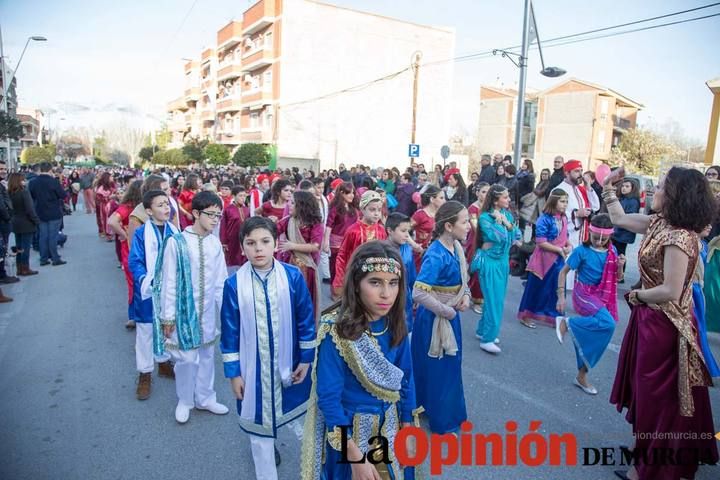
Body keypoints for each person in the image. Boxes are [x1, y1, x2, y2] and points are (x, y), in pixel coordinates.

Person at [605, 167, 718, 480]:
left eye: (661, 187)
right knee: (645, 392)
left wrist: (637, 295)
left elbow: (670, 289)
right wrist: (607, 189)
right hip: (649, 319)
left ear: (675, 195)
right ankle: (647, 449)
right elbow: (618, 219)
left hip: (663, 325)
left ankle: (649, 468)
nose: (654, 191)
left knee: (657, 397)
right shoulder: (659, 223)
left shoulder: (679, 237)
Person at [301, 240, 416, 480]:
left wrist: (408, 426)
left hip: (391, 428)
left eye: (393, 283)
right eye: (375, 282)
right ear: (356, 285)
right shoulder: (336, 330)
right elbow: (329, 400)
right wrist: (354, 456)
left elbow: (406, 379)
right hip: (350, 435)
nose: (386, 293)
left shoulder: (394, 323)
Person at [221, 217, 316, 480]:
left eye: (265, 242)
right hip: (253, 370)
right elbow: (230, 333)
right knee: (258, 425)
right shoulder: (233, 285)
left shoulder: (293, 276)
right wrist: (233, 373)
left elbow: (305, 320)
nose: (258, 249)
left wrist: (306, 359)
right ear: (242, 248)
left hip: (288, 362)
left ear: (276, 244)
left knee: (284, 412)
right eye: (251, 243)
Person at [154, 191, 230, 424]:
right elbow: (168, 281)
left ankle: (205, 398)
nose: (216, 219)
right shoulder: (176, 243)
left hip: (207, 313)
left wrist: (227, 313)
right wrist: (168, 317)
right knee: (187, 359)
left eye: (219, 215)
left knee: (207, 354)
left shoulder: (215, 243)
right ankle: (185, 400)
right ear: (195, 213)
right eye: (211, 214)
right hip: (182, 313)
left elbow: (221, 282)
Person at [412, 200, 470, 434]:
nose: (469, 227)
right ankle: (441, 419)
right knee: (439, 369)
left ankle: (436, 408)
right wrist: (445, 310)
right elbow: (418, 292)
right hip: (434, 320)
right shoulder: (436, 255)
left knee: (448, 367)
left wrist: (465, 294)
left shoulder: (456, 248)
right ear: (448, 226)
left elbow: (462, 280)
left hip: (449, 315)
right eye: (464, 222)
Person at [554, 214, 624, 395]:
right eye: (596, 237)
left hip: (601, 296)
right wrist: (561, 297)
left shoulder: (613, 252)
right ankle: (566, 323)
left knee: (595, 334)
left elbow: (618, 278)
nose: (600, 241)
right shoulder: (581, 251)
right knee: (607, 324)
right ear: (590, 232)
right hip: (583, 293)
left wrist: (621, 266)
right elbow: (563, 272)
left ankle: (581, 375)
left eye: (604, 238)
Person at [127, 190, 178, 400]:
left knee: (168, 327)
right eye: (160, 205)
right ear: (148, 211)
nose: (166, 208)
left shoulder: (175, 231)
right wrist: (145, 280)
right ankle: (145, 373)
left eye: (167, 204)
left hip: (170, 290)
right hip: (148, 290)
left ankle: (164, 362)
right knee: (146, 332)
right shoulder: (141, 233)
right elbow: (135, 261)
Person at [471, 185, 521, 354]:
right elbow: (498, 237)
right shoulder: (485, 217)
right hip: (489, 263)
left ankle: (482, 331)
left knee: (495, 299)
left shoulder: (507, 215)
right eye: (505, 197)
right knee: (494, 301)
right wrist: (504, 226)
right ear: (495, 200)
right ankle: (488, 339)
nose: (508, 200)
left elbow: (517, 237)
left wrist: (506, 223)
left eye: (508, 197)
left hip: (502, 262)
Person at [517, 189, 572, 328]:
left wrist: (569, 246)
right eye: (562, 201)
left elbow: (566, 238)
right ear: (554, 201)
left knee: (557, 288)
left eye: (566, 201)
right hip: (543, 259)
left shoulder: (564, 218)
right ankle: (526, 315)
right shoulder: (544, 219)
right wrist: (559, 249)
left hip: (558, 260)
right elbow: (541, 242)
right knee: (535, 288)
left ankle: (555, 317)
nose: (565, 204)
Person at [277, 190, 324, 327]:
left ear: (302, 205)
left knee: (304, 299)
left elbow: (315, 246)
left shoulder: (315, 224)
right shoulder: (288, 221)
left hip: (307, 268)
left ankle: (304, 328)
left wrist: (292, 245)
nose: (288, 205)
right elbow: (273, 230)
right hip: (288, 266)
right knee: (288, 298)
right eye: (288, 202)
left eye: (292, 203)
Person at [332, 190, 387, 298]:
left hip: (375, 277)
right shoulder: (353, 231)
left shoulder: (381, 231)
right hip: (355, 277)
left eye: (379, 210)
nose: (376, 213)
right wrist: (340, 280)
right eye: (372, 209)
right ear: (362, 209)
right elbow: (342, 256)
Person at [555, 159, 600, 290]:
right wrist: (576, 214)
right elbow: (555, 215)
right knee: (564, 274)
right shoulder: (559, 190)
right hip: (567, 236)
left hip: (581, 236)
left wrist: (588, 187)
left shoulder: (580, 189)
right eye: (576, 171)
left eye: (581, 171)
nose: (580, 174)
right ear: (567, 173)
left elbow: (595, 206)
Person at [108, 179, 144, 330]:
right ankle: (135, 316)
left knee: (135, 282)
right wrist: (125, 234)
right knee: (136, 282)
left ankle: (137, 315)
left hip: (134, 249)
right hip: (132, 250)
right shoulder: (130, 208)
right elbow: (112, 221)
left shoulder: (138, 207)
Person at [692, 225, 720, 377]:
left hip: (697, 291)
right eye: (704, 222)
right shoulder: (690, 242)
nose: (709, 226)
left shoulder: (702, 244)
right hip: (691, 291)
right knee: (697, 331)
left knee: (700, 330)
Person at [28, 162, 68, 267]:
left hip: (40, 212)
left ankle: (43, 258)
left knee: (43, 236)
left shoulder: (33, 182)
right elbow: (63, 195)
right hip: (54, 212)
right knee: (53, 236)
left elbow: (31, 196)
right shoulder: (54, 182)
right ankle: (55, 258)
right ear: (50, 170)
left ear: (40, 169)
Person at [386, 212, 417, 334]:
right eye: (403, 231)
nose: (407, 236)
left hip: (406, 297)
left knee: (405, 330)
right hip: (388, 298)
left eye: (408, 232)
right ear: (390, 230)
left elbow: (412, 274)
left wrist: (415, 295)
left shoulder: (407, 249)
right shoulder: (382, 250)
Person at [325, 181, 358, 286]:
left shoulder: (353, 208)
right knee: (336, 266)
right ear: (342, 193)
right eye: (349, 193)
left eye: (353, 193)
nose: (352, 195)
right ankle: (335, 291)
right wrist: (326, 242)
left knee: (348, 265)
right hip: (336, 243)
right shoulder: (335, 208)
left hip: (351, 241)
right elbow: (328, 225)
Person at [8, 173, 40, 276]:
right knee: (25, 247)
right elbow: (30, 209)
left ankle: (19, 267)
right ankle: (25, 268)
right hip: (26, 222)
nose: (24, 181)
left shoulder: (9, 193)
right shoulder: (24, 192)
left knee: (19, 246)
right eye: (23, 180)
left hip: (15, 221)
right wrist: (36, 221)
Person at [465, 182, 490, 314]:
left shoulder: (490, 208)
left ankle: (480, 297)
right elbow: (475, 227)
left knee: (485, 271)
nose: (486, 194)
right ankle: (475, 299)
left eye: (488, 192)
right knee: (476, 270)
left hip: (488, 243)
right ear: (477, 193)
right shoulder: (473, 208)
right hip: (475, 242)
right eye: (483, 192)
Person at [410, 185, 445, 271]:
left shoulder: (441, 215)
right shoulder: (420, 214)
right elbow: (403, 229)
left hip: (437, 254)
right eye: (441, 198)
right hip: (420, 254)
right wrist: (414, 245)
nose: (444, 201)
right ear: (432, 199)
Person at [611, 179, 640, 281]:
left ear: (632, 189)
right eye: (623, 186)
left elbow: (628, 217)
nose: (624, 188)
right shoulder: (623, 199)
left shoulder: (633, 201)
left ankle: (620, 275)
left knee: (621, 253)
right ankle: (616, 273)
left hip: (623, 232)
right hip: (617, 231)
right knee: (616, 252)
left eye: (627, 186)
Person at [220, 186, 249, 270]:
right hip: (232, 240)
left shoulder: (246, 209)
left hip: (244, 238)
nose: (243, 198)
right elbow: (223, 226)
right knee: (232, 262)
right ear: (233, 196)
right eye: (240, 196)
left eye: (244, 196)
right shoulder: (228, 210)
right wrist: (224, 242)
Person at [94, 172, 115, 239]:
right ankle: (107, 233)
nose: (112, 178)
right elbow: (99, 197)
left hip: (112, 205)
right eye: (111, 177)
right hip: (104, 206)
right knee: (105, 219)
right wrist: (109, 197)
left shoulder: (112, 185)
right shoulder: (101, 187)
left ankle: (111, 232)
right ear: (107, 178)